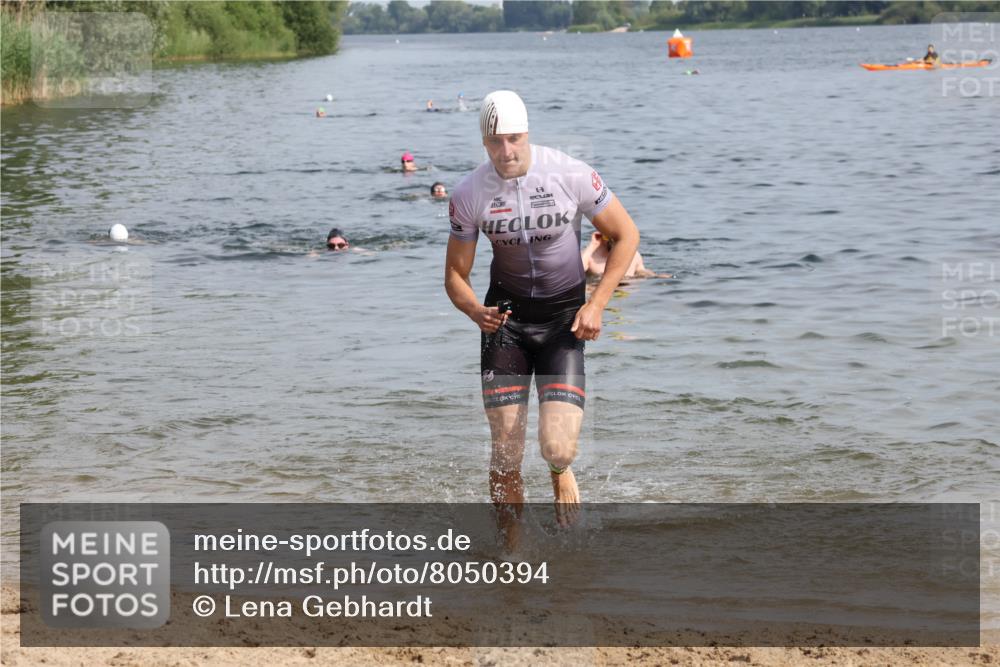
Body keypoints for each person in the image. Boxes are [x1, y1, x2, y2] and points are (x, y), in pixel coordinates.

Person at [444, 90, 641, 538]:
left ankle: (558, 472)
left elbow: (626, 236)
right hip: (505, 324)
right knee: (505, 455)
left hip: (564, 322)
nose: (506, 151)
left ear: (528, 133)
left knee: (558, 448)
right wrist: (475, 310)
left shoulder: (570, 173)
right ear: (483, 143)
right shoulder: (469, 193)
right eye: (496, 142)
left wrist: (597, 304)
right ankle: (511, 556)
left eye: (514, 138)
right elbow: (455, 275)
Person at [581, 230, 669, 279]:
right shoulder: (590, 256)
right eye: (611, 238)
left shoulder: (633, 255)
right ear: (603, 237)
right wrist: (593, 245)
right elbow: (574, 272)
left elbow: (640, 271)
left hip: (625, 291)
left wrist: (656, 276)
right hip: (596, 289)